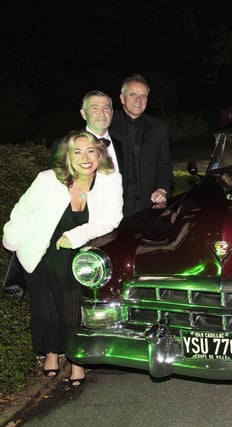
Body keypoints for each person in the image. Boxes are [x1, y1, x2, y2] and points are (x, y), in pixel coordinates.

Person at [3, 130, 123, 386]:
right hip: (42, 251)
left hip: (77, 257)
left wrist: (75, 236)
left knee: (72, 309)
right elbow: (23, 212)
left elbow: (111, 219)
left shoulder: (109, 180)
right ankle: (51, 352)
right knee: (45, 305)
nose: (85, 157)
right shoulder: (48, 180)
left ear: (100, 154)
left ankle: (77, 359)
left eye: (91, 150)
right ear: (68, 157)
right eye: (77, 151)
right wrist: (11, 239)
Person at [110, 73, 173, 217]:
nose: (138, 100)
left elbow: (164, 164)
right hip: (115, 204)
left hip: (148, 203)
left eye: (143, 96)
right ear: (122, 98)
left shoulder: (159, 128)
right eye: (133, 95)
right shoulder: (109, 124)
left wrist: (162, 189)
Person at [50, 91, 124, 172]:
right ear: (83, 114)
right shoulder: (64, 145)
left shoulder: (123, 144)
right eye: (95, 108)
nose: (101, 113)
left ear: (112, 113)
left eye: (106, 108)